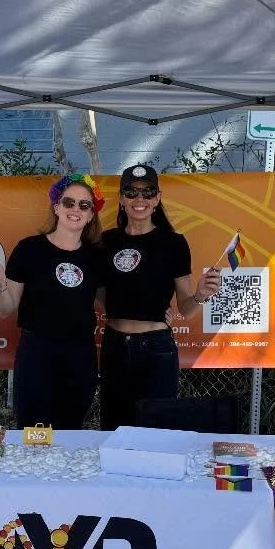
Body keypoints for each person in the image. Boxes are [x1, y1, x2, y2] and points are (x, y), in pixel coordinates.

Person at [98, 164, 221, 431]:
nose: (139, 199)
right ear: (121, 199)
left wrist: (200, 295)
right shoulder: (106, 242)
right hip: (114, 346)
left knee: (156, 430)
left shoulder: (174, 244)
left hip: (156, 349)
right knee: (113, 430)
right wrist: (126, 306)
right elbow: (98, 293)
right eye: (131, 192)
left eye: (147, 192)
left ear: (157, 198)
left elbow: (186, 308)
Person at [0, 173, 106, 430]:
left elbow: (113, 305)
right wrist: (0, 281)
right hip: (37, 352)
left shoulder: (96, 257)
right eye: (69, 202)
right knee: (32, 432)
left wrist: (156, 314)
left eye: (84, 205)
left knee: (69, 431)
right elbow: (5, 308)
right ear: (56, 207)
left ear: (91, 215)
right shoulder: (29, 249)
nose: (75, 209)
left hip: (79, 355)